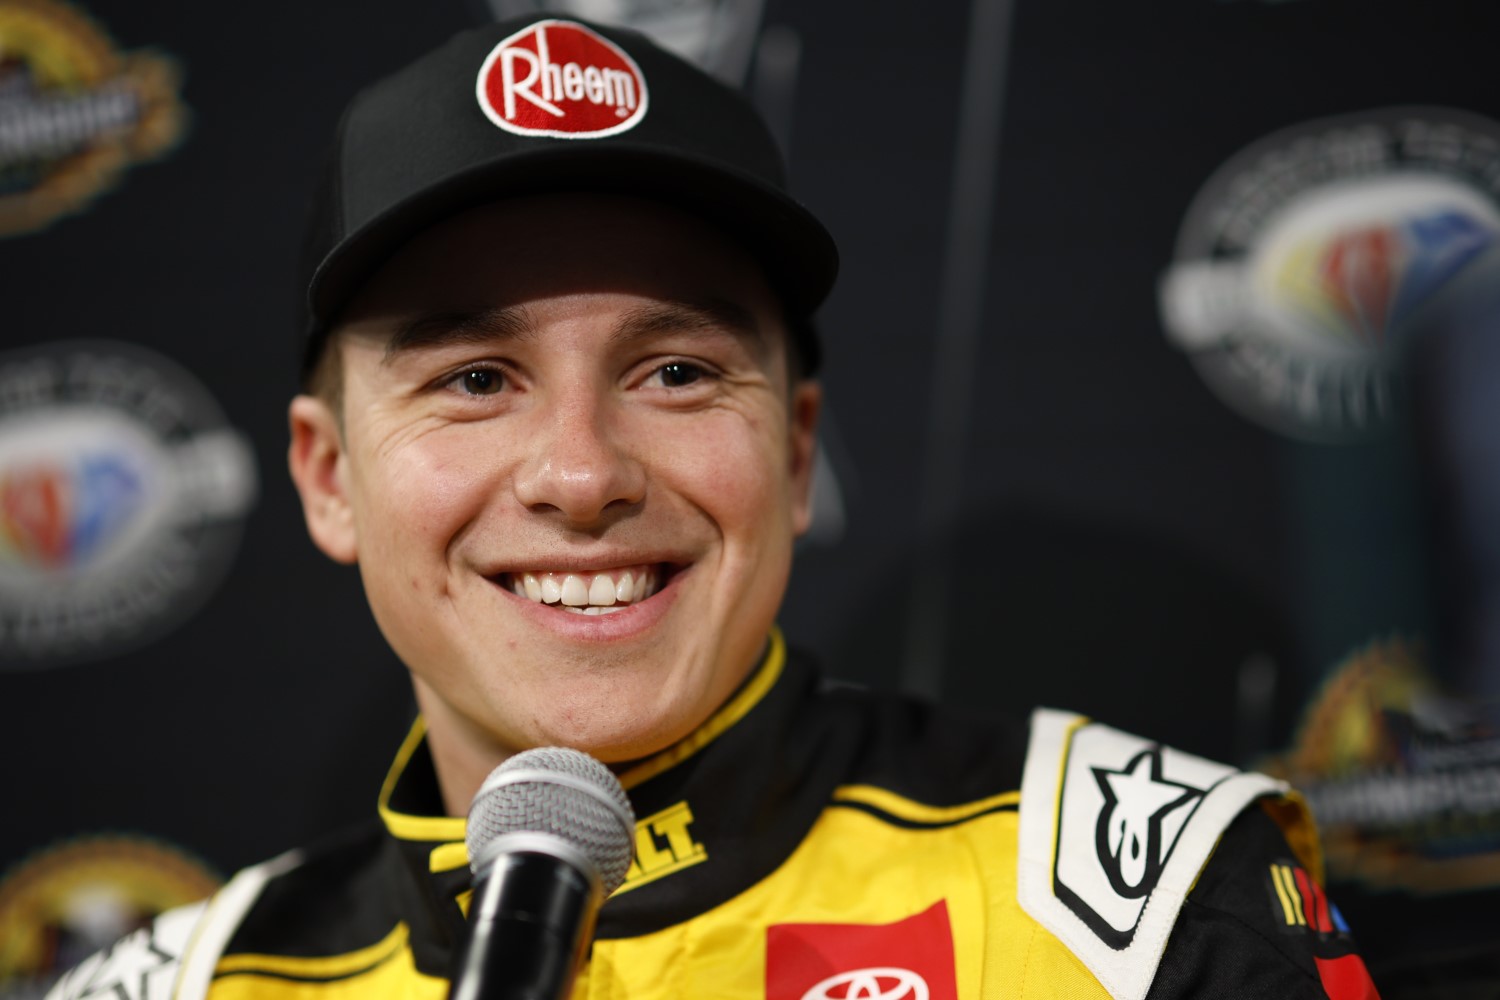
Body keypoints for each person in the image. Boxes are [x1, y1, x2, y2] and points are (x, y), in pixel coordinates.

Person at [47, 14, 1381, 1000]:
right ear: (330, 476)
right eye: (473, 378)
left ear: (795, 455)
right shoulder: (179, 987)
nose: (581, 474)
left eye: (677, 371)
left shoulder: (1137, 916)